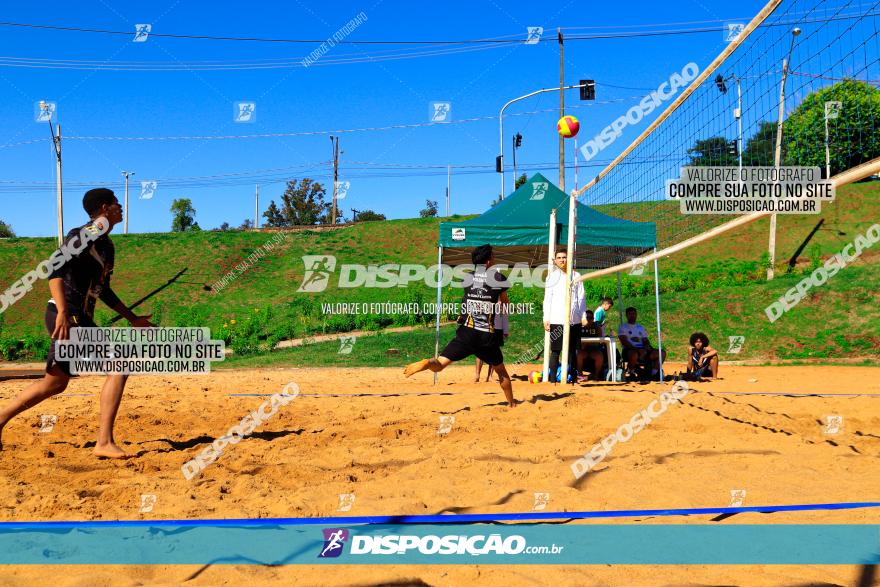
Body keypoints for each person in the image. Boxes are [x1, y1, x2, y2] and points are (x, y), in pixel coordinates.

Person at [0, 188, 154, 458]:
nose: (121, 207)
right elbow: (54, 270)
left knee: (55, 384)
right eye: (117, 203)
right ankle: (104, 443)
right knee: (120, 364)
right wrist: (62, 311)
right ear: (105, 208)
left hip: (78, 319)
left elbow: (103, 290)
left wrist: (133, 319)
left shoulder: (106, 246)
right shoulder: (83, 234)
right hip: (67, 317)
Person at [405, 244, 516, 407]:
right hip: (486, 336)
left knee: (440, 364)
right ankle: (512, 404)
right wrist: (503, 323)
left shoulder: (467, 279)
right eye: (492, 257)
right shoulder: (498, 278)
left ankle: (428, 363)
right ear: (487, 261)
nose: (494, 260)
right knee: (501, 371)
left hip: (466, 333)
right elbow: (504, 303)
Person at [542, 250, 586, 383]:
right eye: (559, 258)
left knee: (573, 351)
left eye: (564, 257)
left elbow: (581, 299)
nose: (562, 260)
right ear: (555, 260)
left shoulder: (576, 275)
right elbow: (547, 299)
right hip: (557, 319)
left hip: (574, 321)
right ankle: (552, 380)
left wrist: (583, 316)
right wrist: (546, 318)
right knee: (556, 351)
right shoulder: (551, 277)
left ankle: (572, 379)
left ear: (569, 258)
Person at [617, 307, 666, 381]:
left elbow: (645, 340)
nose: (632, 315)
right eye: (630, 314)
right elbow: (624, 341)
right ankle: (631, 372)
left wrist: (647, 346)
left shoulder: (640, 327)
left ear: (636, 315)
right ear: (626, 315)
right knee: (634, 354)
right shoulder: (623, 327)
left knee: (661, 353)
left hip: (643, 350)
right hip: (629, 350)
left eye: (634, 314)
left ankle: (654, 373)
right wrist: (637, 349)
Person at [475, 309, 509, 383]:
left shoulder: (502, 302)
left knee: (494, 352)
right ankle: (477, 375)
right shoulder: (486, 299)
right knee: (479, 350)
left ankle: (489, 376)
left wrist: (506, 330)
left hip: (497, 329)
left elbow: (505, 315)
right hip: (484, 327)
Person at [578, 310, 605, 381]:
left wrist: (598, 328)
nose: (589, 319)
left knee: (599, 355)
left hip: (594, 349)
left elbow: (601, 338)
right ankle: (580, 375)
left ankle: (596, 375)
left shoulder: (596, 326)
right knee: (579, 354)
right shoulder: (579, 326)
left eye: (591, 318)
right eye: (587, 317)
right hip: (583, 349)